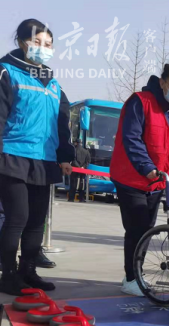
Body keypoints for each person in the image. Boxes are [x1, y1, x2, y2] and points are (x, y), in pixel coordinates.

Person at [110, 63, 169, 296]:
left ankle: (134, 273)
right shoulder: (141, 102)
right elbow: (132, 138)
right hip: (132, 177)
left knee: (147, 229)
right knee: (136, 228)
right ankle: (131, 278)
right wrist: (147, 167)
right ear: (162, 84)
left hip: (157, 181)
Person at [0, 19, 74, 296]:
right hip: (12, 155)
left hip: (44, 160)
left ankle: (28, 271)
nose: (43, 49)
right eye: (37, 42)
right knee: (17, 217)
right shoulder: (6, 72)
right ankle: (7, 275)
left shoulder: (53, 84)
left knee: (36, 221)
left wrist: (65, 155)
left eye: (48, 44)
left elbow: (62, 123)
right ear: (21, 42)